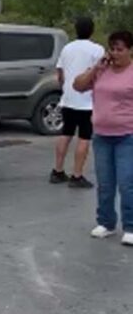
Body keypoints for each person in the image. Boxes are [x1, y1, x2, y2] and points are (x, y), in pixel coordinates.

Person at [72, 30, 133, 246]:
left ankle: (130, 226)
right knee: (106, 183)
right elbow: (77, 85)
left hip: (127, 135)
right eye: (112, 49)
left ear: (129, 51)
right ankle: (106, 223)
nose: (115, 53)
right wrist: (96, 68)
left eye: (120, 49)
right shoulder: (102, 70)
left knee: (127, 183)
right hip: (102, 135)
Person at [51, 16, 105, 187]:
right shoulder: (97, 49)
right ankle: (77, 175)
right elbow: (101, 74)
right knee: (84, 138)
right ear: (92, 30)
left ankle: (57, 171)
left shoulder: (67, 48)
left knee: (65, 134)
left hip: (68, 99)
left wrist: (66, 88)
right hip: (87, 102)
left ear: (76, 29)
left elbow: (60, 74)